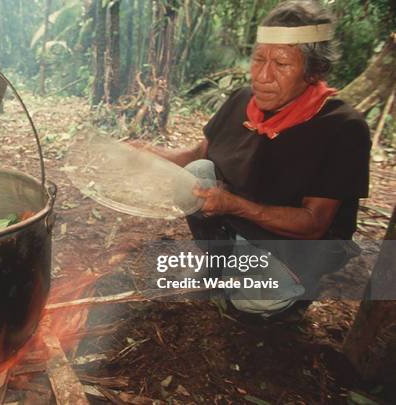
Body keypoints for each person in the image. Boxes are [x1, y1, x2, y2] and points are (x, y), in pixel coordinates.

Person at [135, 0, 371, 319]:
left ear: (314, 71)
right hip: (246, 220)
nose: (263, 76)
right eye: (259, 59)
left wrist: (232, 204)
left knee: (248, 301)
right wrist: (151, 155)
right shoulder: (244, 99)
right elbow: (197, 155)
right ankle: (224, 260)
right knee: (194, 174)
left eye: (282, 65)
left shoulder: (343, 128)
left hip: (299, 245)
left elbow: (313, 224)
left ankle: (294, 289)